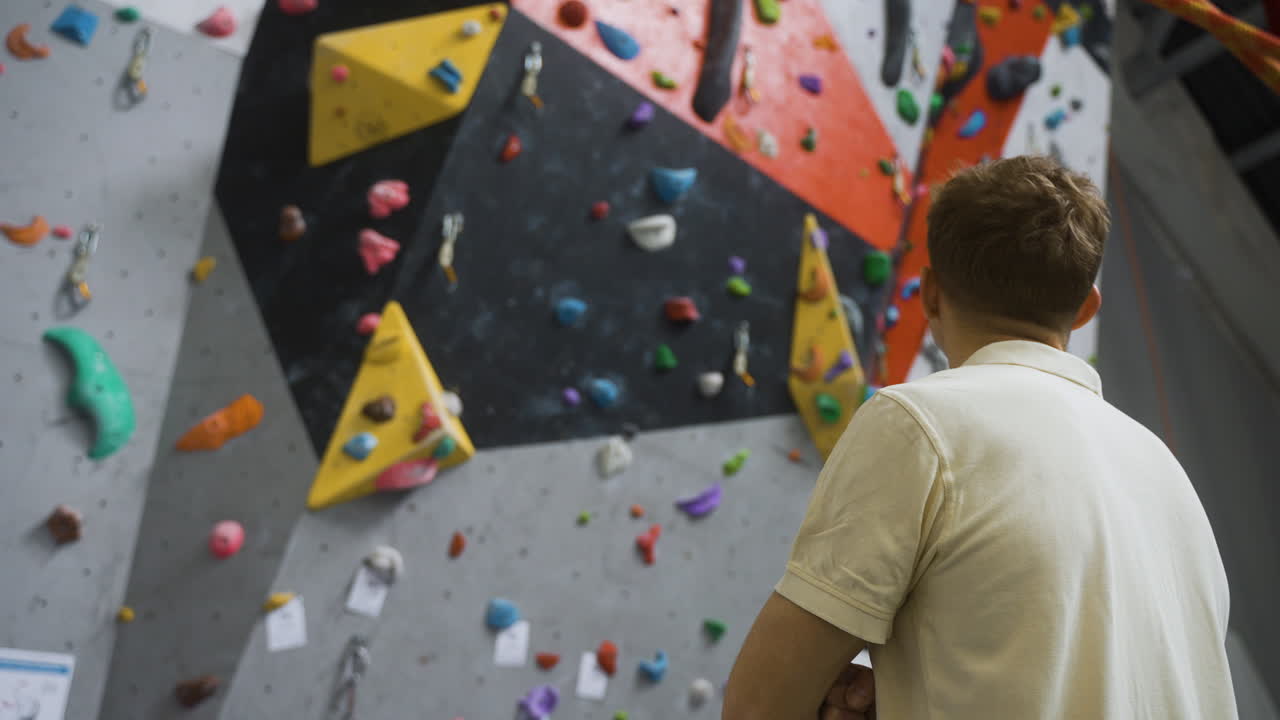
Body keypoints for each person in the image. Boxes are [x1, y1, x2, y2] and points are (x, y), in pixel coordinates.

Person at [723, 156, 1237, 720]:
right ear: (1086, 308)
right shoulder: (1170, 480)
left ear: (931, 295)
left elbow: (759, 705)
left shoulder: (919, 425)